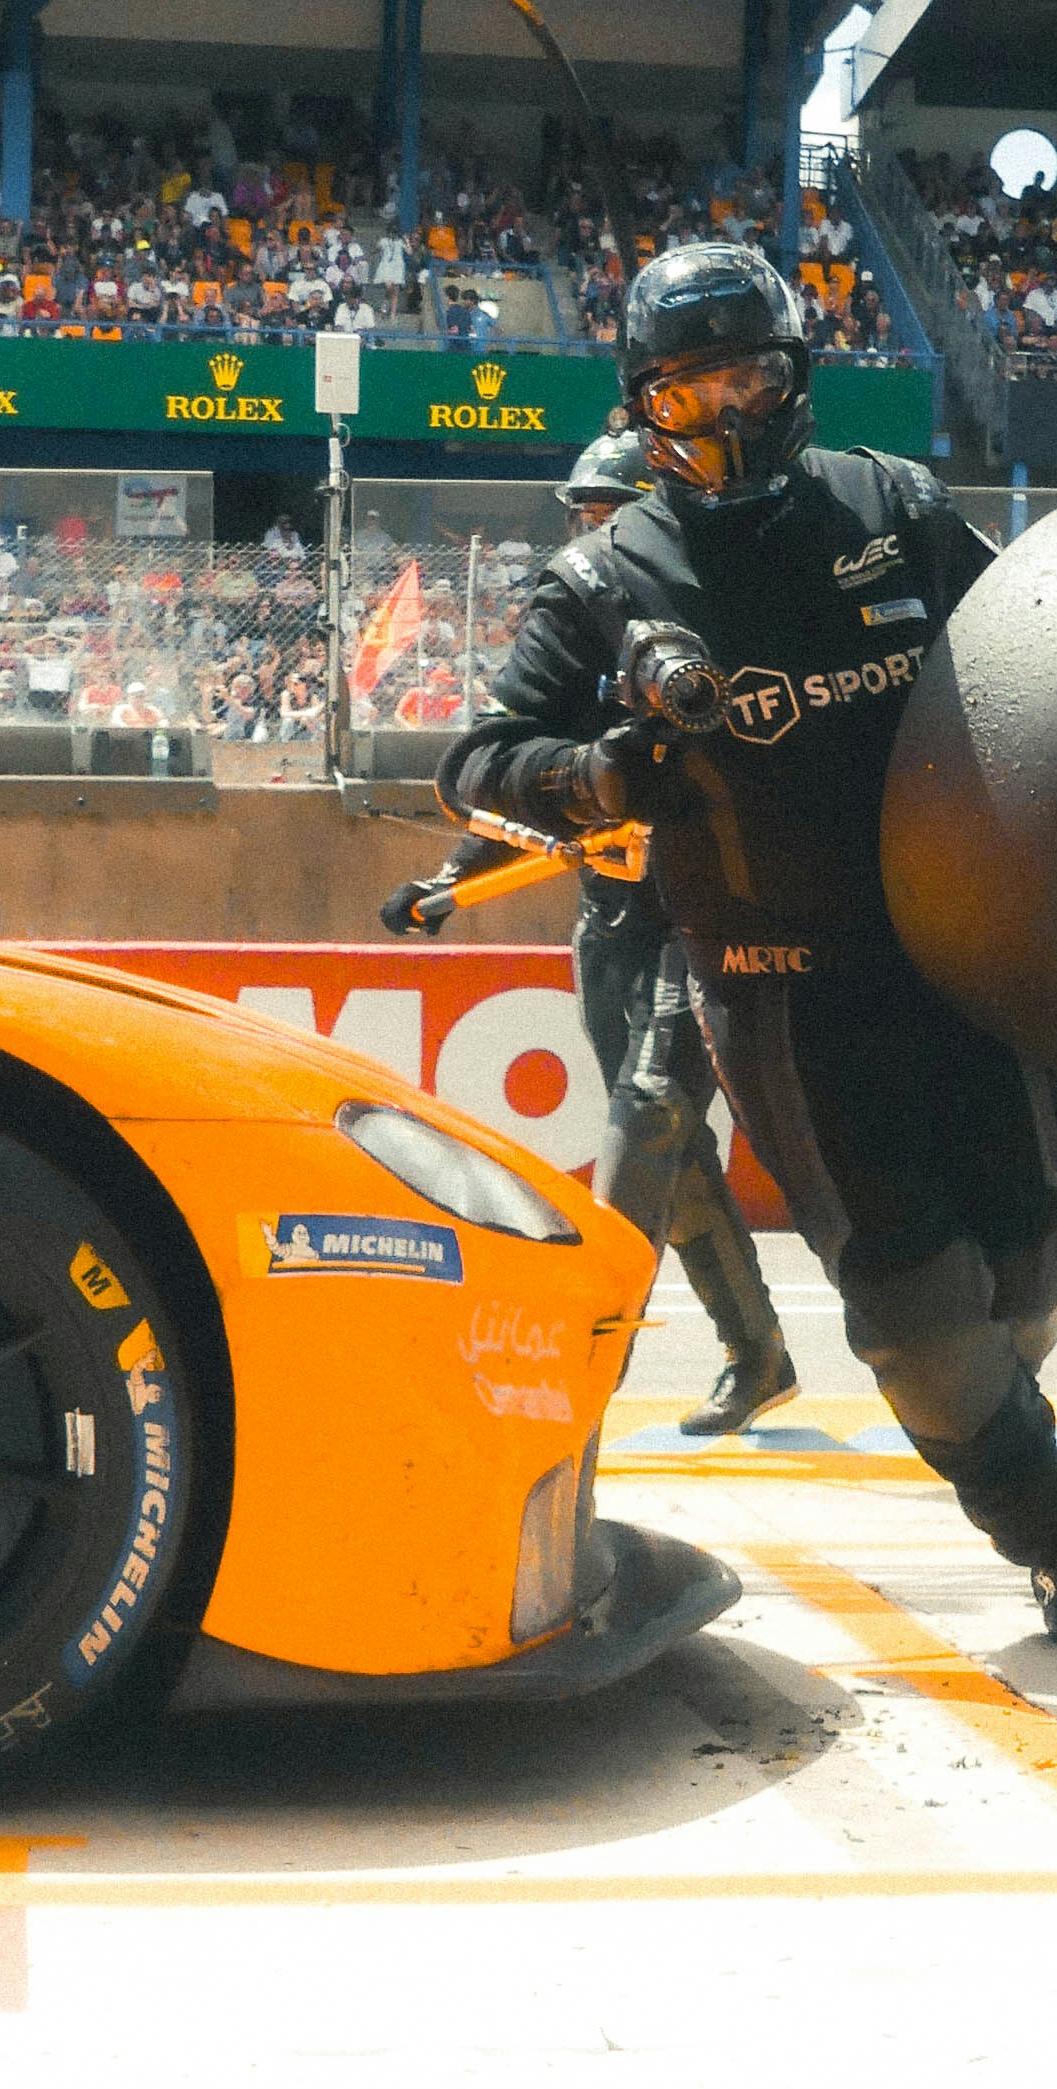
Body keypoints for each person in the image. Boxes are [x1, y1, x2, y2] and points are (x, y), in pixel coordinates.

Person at [434, 242, 1057, 1654]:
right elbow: (473, 765)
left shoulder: (896, 505)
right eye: (686, 393)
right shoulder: (598, 581)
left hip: (957, 952)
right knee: (917, 1316)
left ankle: (1004, 1432)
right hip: (779, 994)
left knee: (1032, 1264)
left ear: (795, 376)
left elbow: (1050, 652)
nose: (725, 414)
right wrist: (601, 770)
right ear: (642, 404)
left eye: (749, 379)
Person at [381, 430, 793, 1437]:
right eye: (583, 513)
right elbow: (521, 776)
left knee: (648, 1120)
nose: (591, 533)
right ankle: (757, 1353)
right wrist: (448, 883)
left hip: (698, 918)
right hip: (609, 926)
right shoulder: (568, 631)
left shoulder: (715, 614)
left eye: (609, 512)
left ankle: (585, 1379)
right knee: (669, 1152)